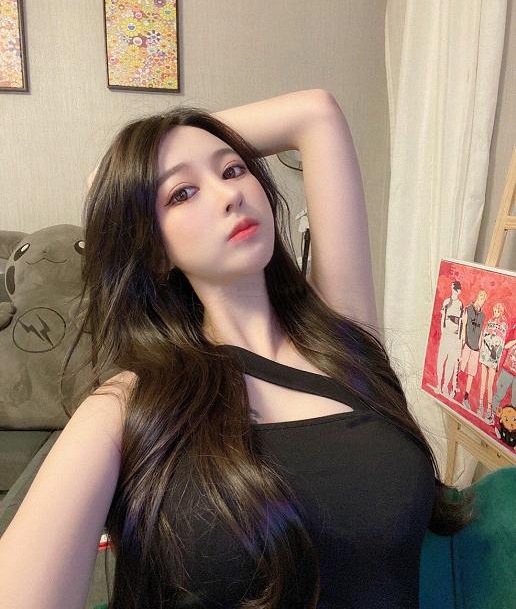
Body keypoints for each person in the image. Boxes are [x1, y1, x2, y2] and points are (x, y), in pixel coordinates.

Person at [0, 89, 476, 608]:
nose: (230, 195)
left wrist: (146, 160)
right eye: (182, 193)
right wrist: (122, 175)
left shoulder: (340, 339)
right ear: (154, 251)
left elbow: (315, 113)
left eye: (232, 170)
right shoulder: (127, 405)